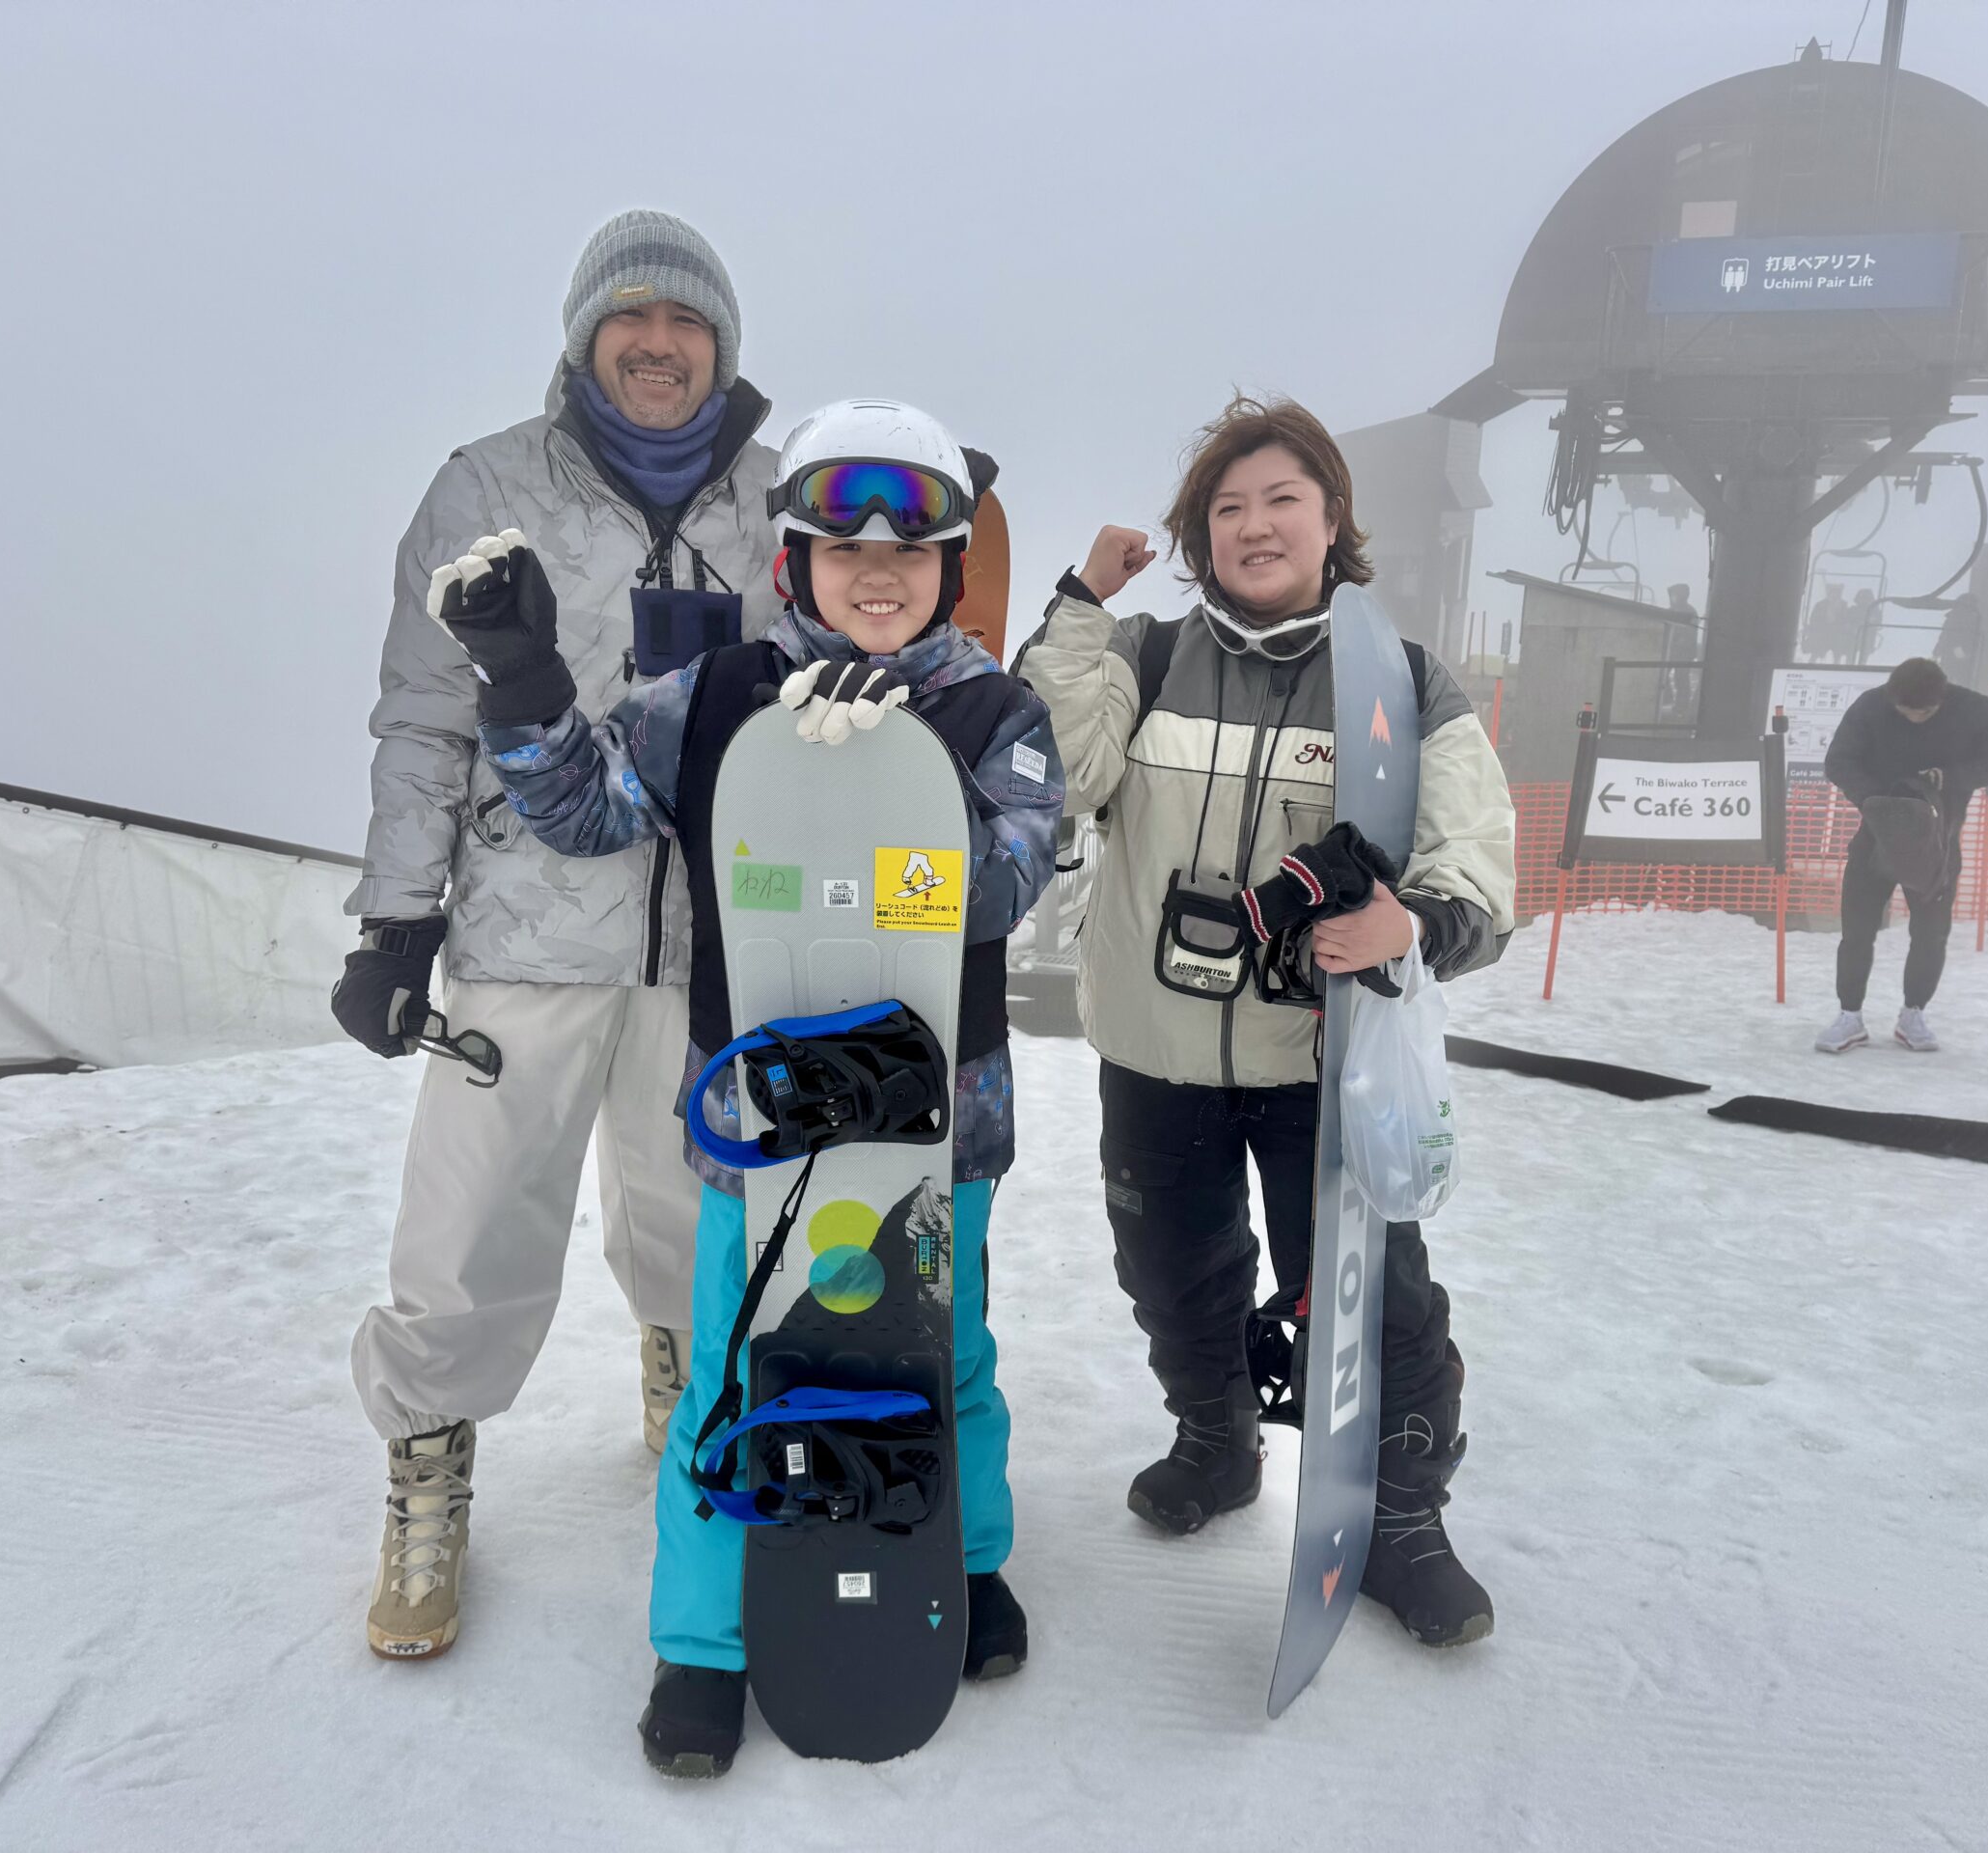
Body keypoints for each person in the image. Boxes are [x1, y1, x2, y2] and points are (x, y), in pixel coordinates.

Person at [437, 400, 1063, 1776]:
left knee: (945, 1354)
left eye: (910, 551)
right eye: (845, 549)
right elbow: (585, 811)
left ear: (951, 567)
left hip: (937, 1127)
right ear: (794, 562)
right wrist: (522, 677)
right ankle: (707, 1640)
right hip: (760, 1127)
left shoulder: (996, 714)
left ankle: (968, 1560)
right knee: (734, 1366)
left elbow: (1004, 883)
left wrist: (898, 774)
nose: (878, 572)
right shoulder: (717, 697)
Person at [338, 209, 782, 1662]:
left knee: (694, 1207)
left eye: (686, 322)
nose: (658, 346)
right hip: (526, 930)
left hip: (710, 934)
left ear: (722, 345)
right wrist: (397, 921)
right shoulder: (487, 488)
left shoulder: (781, 499)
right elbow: (424, 719)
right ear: (586, 337)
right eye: (629, 319)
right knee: (470, 1226)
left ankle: (683, 1381)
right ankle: (426, 1473)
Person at [1018, 396, 1517, 1651]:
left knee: (1376, 1299)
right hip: (1157, 1053)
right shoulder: (1142, 658)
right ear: (1198, 537)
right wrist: (1079, 608)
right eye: (1227, 507)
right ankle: (1217, 1435)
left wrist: (1413, 926)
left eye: (1281, 499)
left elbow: (1473, 865)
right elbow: (1058, 777)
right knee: (1172, 1274)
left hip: (1324, 1067)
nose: (1254, 525)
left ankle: (1402, 1521)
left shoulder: (1403, 684)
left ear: (1331, 518)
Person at [1815, 656, 1988, 1054]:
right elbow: (1839, 761)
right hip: (1875, 837)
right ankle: (1849, 1016)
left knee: (1930, 934)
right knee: (1857, 932)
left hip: (1938, 843)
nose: (1914, 718)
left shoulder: (1973, 709)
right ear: (1891, 698)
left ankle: (1913, 1013)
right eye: (1905, 711)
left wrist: (1954, 777)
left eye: (1925, 712)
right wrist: (1874, 799)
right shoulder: (1871, 706)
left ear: (1942, 698)